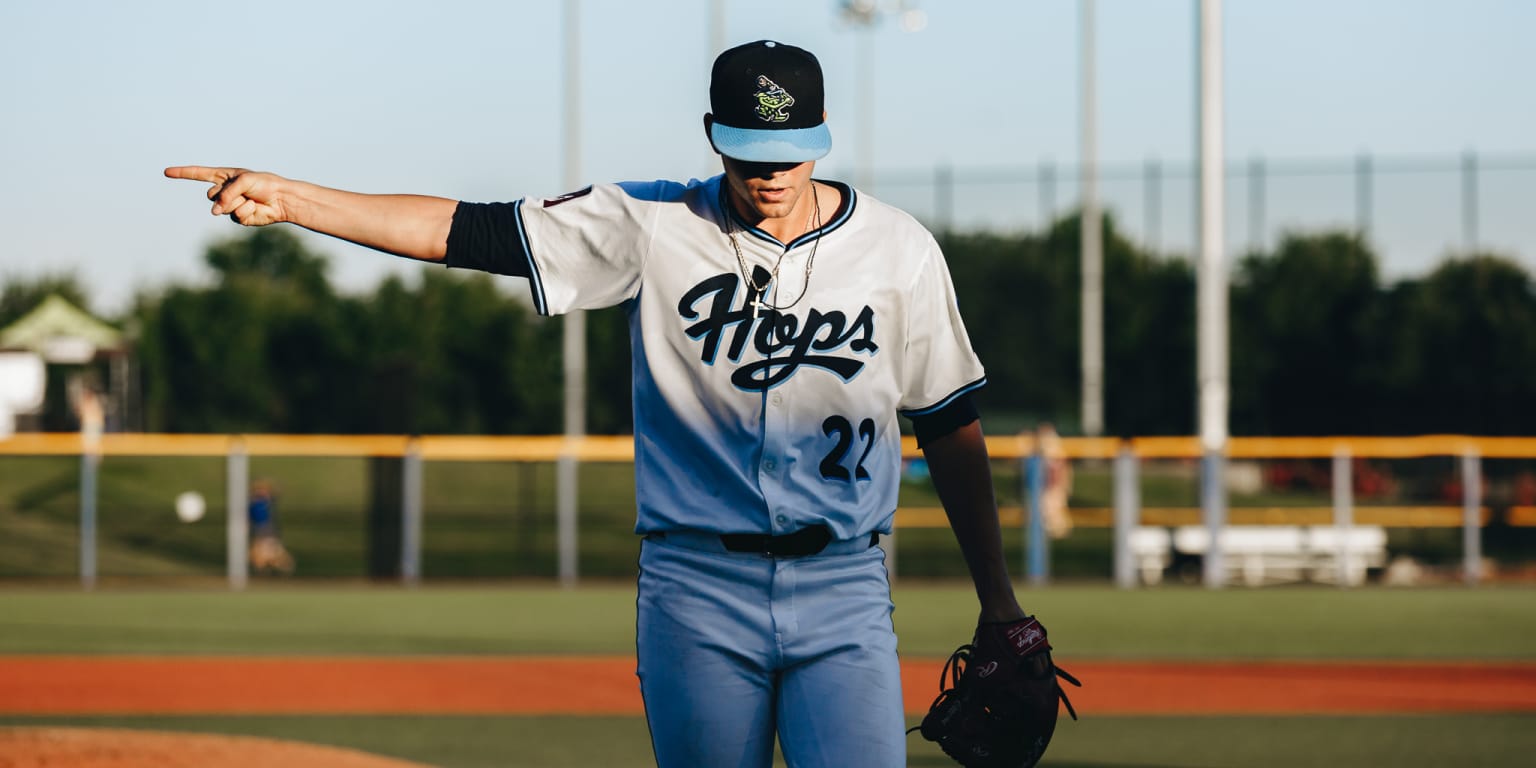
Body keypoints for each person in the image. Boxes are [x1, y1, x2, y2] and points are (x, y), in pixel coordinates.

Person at [168, 40, 1034, 767]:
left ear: (823, 139)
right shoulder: (649, 224)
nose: (770, 173)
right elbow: (465, 231)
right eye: (748, 151)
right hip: (696, 588)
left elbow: (950, 425)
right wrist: (296, 199)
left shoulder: (899, 250)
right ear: (712, 137)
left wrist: (999, 600)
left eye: (790, 152)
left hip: (845, 582)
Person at [247, 479, 294, 575]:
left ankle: (271, 571)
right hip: (260, 536)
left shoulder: (268, 503)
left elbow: (276, 494)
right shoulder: (254, 505)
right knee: (259, 563)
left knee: (282, 563)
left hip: (269, 536)